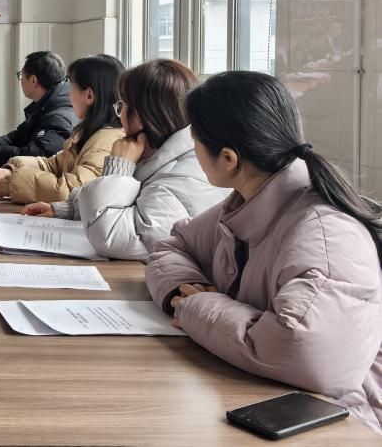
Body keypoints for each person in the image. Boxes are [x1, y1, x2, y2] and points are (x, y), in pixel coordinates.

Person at [146, 72, 382, 434]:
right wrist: (183, 288)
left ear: (228, 158)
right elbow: (174, 244)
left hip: (341, 424)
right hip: (266, 400)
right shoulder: (247, 204)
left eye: (194, 141)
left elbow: (305, 351)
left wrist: (196, 307)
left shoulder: (325, 235)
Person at [22, 59, 228, 260]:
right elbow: (126, 204)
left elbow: (114, 237)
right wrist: (66, 209)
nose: (119, 116)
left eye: (121, 106)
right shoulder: (158, 153)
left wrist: (119, 170)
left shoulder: (181, 174)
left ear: (139, 117)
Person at [0, 54, 124, 203]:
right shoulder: (89, 131)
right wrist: (10, 171)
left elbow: (72, 191)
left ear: (89, 96)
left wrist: (8, 184)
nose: (68, 92)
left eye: (72, 86)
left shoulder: (104, 142)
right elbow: (54, 165)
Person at [0, 51, 77, 165]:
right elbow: (16, 138)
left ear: (33, 80)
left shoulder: (59, 117)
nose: (21, 80)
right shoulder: (46, 105)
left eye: (21, 75)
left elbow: (33, 156)